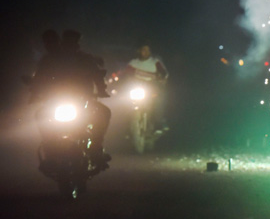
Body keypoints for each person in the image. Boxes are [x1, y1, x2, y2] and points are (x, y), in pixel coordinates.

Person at [31, 30, 111, 168]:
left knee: (104, 113)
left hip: (83, 100)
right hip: (56, 101)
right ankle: (49, 148)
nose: (71, 45)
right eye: (68, 41)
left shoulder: (85, 59)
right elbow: (39, 78)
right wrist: (35, 92)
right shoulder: (50, 59)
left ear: (78, 43)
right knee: (40, 115)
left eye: (74, 42)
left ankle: (96, 148)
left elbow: (97, 74)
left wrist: (102, 89)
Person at [124, 44, 169, 131]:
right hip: (136, 86)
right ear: (139, 51)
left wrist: (161, 77)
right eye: (143, 50)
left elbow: (164, 73)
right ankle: (125, 127)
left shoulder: (155, 62)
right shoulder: (133, 63)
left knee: (158, 101)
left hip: (151, 87)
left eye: (148, 50)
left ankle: (159, 123)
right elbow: (126, 73)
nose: (146, 52)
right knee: (124, 103)